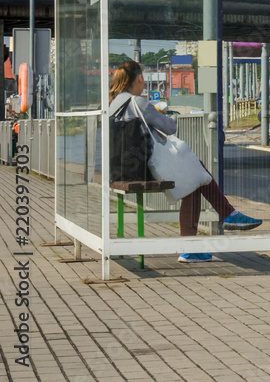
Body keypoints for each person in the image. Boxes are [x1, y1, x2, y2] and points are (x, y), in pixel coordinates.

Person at [109, 60, 262, 263]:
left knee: (193, 179)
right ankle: (225, 216)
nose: (143, 83)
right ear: (138, 78)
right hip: (144, 167)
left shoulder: (113, 105)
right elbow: (170, 127)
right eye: (143, 79)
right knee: (195, 170)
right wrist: (159, 112)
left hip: (123, 168)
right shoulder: (138, 102)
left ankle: (194, 244)